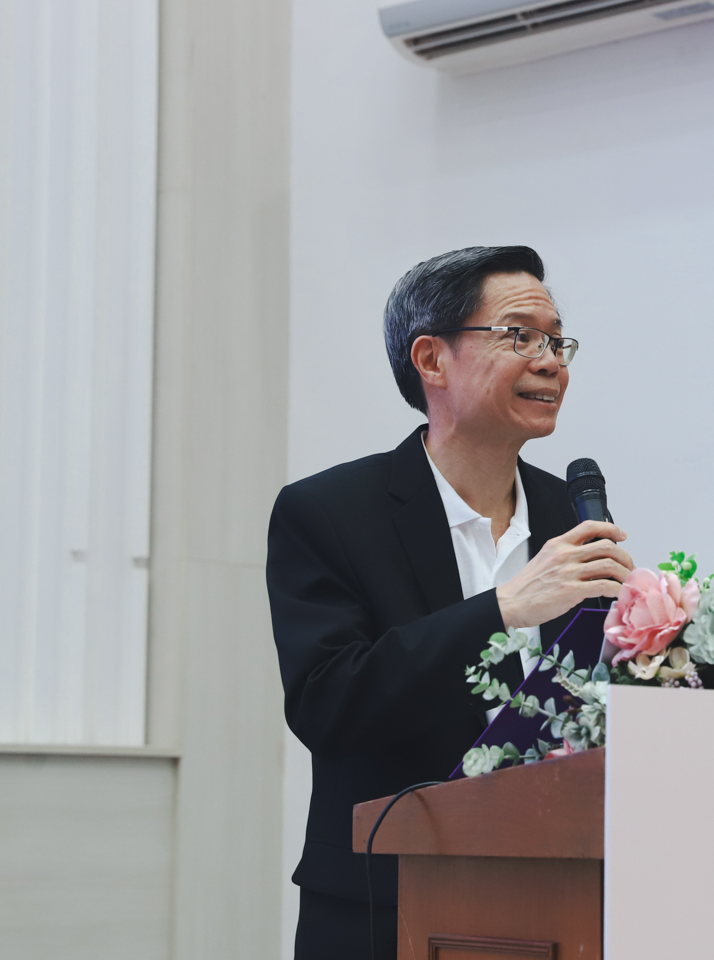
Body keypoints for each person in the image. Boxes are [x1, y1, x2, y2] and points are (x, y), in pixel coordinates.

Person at [267, 246, 636, 959]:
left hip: (558, 892)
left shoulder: (568, 512)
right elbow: (327, 703)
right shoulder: (330, 512)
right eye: (519, 335)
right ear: (431, 359)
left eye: (557, 341)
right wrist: (502, 609)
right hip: (386, 902)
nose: (550, 361)